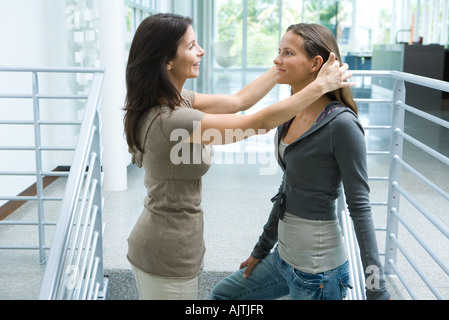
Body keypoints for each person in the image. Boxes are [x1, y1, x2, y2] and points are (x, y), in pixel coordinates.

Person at [124, 14, 353, 300]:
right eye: (191, 45)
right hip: (165, 252)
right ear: (166, 61)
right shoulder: (172, 119)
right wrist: (319, 85)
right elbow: (255, 124)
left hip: (177, 243)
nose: (201, 51)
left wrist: (281, 64)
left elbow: (239, 101)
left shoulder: (176, 98)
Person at [211, 23, 391, 300]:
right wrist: (261, 250)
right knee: (223, 296)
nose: (277, 59)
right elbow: (287, 188)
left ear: (315, 63)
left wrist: (376, 289)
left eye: (287, 53)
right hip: (283, 258)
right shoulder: (290, 114)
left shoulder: (342, 125)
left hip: (317, 274)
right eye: (278, 51)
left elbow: (360, 209)